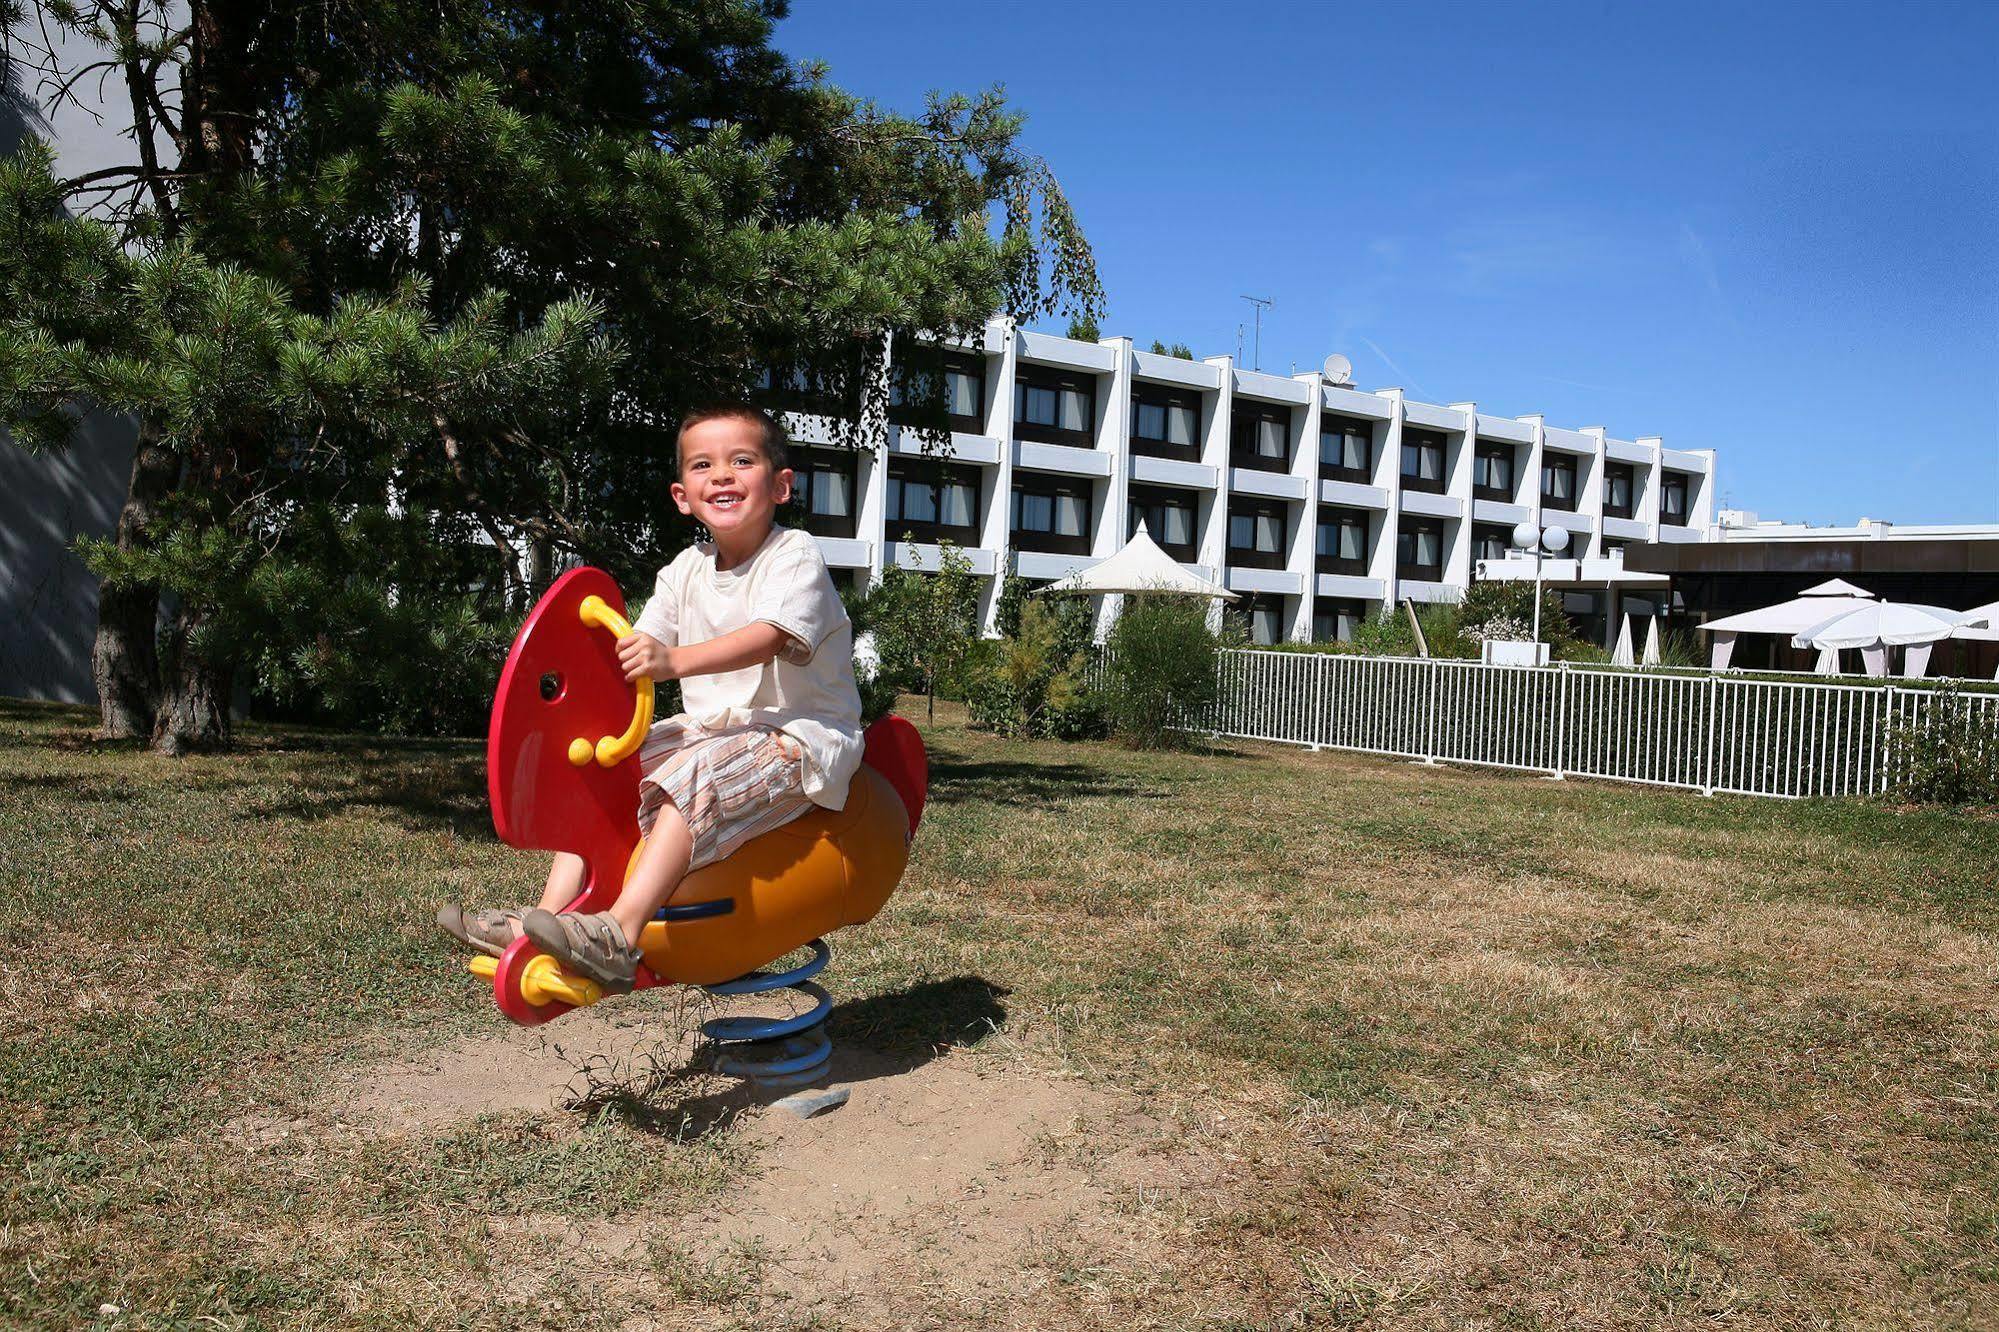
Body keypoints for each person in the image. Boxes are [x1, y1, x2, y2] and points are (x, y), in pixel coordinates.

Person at [437, 403, 865, 990]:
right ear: (682, 495)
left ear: (781, 485)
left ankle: (619, 934)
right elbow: (640, 646)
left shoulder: (795, 557)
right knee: (611, 771)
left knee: (698, 776)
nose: (721, 475)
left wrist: (673, 661)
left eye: (742, 461)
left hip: (800, 737)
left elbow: (772, 636)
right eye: (702, 465)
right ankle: (549, 921)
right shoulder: (684, 570)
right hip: (714, 727)